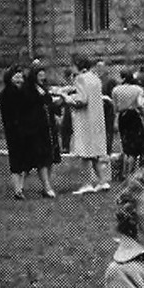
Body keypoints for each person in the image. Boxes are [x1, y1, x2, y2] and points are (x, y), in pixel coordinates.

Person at [64, 53, 109, 194]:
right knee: (95, 153)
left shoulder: (80, 78)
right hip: (96, 119)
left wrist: (66, 98)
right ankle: (102, 181)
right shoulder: (95, 78)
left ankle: (87, 184)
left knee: (84, 154)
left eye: (72, 65)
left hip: (85, 120)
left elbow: (82, 100)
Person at [19, 63, 61, 198]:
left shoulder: (44, 88)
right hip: (35, 129)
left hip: (47, 128)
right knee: (36, 159)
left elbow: (49, 103)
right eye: (40, 74)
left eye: (43, 74)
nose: (42, 77)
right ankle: (43, 187)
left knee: (48, 158)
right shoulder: (28, 90)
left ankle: (46, 186)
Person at [0, 65, 30, 199]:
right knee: (16, 161)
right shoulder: (5, 95)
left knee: (26, 161)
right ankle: (17, 190)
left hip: (27, 130)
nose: (19, 80)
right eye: (16, 77)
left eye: (21, 77)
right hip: (13, 132)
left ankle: (20, 188)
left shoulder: (26, 93)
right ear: (9, 78)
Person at [111, 68, 144, 179]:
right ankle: (130, 172)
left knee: (125, 145)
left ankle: (124, 172)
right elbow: (140, 105)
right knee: (133, 147)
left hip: (122, 117)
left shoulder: (116, 90)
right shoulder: (138, 89)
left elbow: (115, 108)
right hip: (134, 116)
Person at [96, 61, 118, 156]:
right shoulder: (96, 80)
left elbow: (114, 97)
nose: (99, 69)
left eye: (101, 67)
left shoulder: (110, 81)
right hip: (97, 110)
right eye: (97, 67)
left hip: (108, 110)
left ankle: (107, 152)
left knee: (108, 132)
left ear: (106, 68)